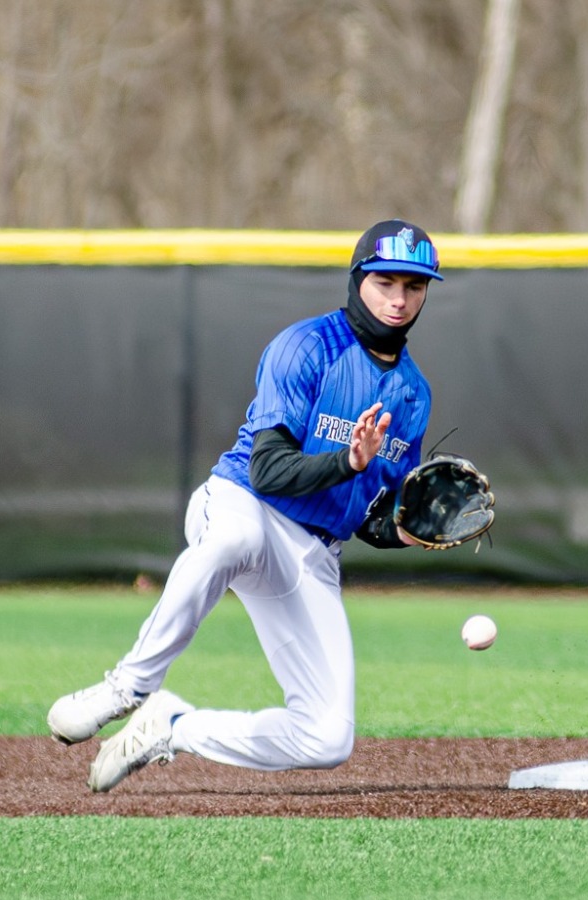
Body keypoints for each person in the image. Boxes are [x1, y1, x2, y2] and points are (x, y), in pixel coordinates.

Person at [46, 219, 448, 792]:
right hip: (243, 503)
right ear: (357, 279)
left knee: (326, 738)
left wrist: (401, 529)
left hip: (311, 552)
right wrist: (348, 462)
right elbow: (268, 471)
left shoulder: (414, 394)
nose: (399, 299)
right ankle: (127, 687)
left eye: (414, 286)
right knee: (236, 540)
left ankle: (172, 726)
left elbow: (367, 513)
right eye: (385, 282)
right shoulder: (307, 347)